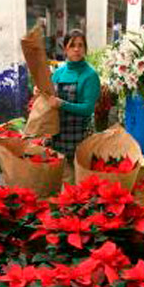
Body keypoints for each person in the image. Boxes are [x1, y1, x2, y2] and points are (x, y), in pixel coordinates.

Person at [46, 29, 101, 181]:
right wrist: (41, 92)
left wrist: (62, 104)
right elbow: (50, 99)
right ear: (65, 49)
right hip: (58, 135)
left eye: (80, 45)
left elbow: (88, 108)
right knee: (62, 178)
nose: (76, 49)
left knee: (78, 181)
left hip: (80, 135)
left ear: (85, 49)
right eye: (72, 45)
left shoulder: (90, 75)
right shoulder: (58, 73)